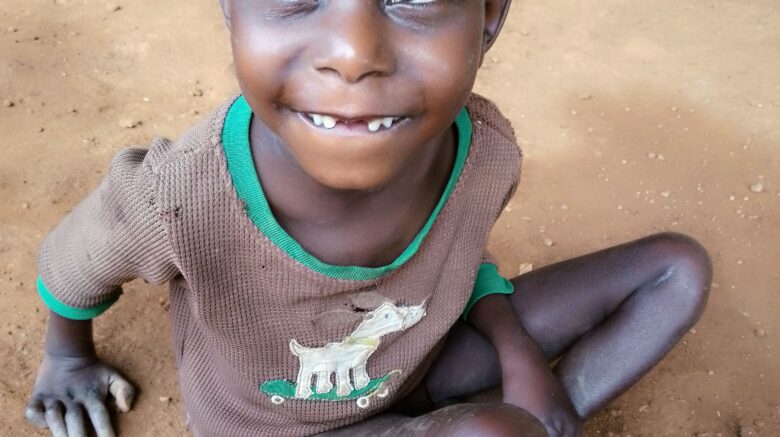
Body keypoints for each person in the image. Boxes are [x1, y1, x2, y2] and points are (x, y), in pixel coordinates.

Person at [24, 1, 712, 436]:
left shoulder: (485, 151)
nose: (354, 53)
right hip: (278, 428)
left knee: (677, 270)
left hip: (417, 362)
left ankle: (520, 417)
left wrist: (520, 355)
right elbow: (73, 262)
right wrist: (66, 357)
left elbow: (459, 258)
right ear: (231, 8)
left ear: (489, 14)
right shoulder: (179, 196)